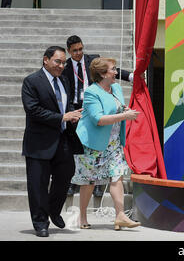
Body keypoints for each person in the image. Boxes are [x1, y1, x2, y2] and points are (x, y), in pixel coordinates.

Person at [72, 57, 141, 230]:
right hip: (93, 143)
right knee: (89, 181)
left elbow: (116, 107)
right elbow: (98, 119)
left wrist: (124, 110)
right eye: (113, 70)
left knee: (117, 175)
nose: (117, 73)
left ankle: (120, 216)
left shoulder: (116, 88)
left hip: (114, 142)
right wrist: (125, 116)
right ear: (103, 74)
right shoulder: (91, 92)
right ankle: (83, 217)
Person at [21, 46, 83, 237]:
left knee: (66, 174)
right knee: (38, 184)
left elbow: (66, 104)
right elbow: (33, 110)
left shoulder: (64, 80)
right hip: (39, 142)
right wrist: (62, 117)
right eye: (58, 61)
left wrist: (73, 114)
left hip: (62, 139)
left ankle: (53, 210)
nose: (62, 66)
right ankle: (40, 222)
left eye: (64, 62)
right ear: (45, 60)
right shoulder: (32, 81)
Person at [63, 35, 134, 197]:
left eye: (81, 49)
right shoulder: (65, 67)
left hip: (98, 104)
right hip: (76, 109)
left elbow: (111, 70)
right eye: (75, 51)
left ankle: (97, 186)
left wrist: (130, 76)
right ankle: (72, 183)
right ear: (69, 51)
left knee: (97, 147)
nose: (79, 53)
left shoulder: (93, 60)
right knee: (76, 150)